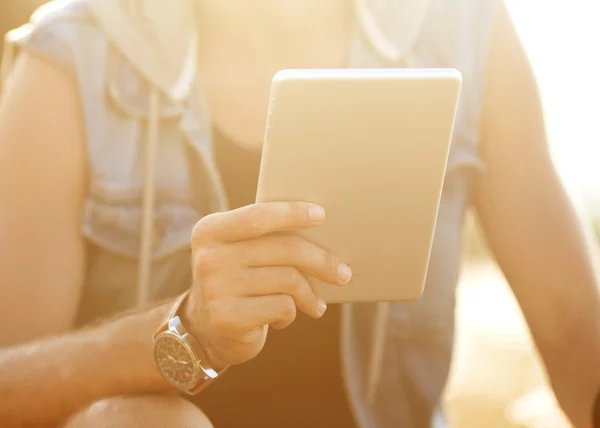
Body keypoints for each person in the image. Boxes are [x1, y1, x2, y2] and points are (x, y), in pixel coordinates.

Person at [0, 0, 599, 427]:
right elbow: (8, 383)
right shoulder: (71, 58)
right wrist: (187, 331)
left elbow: (572, 322)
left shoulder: (467, 28)